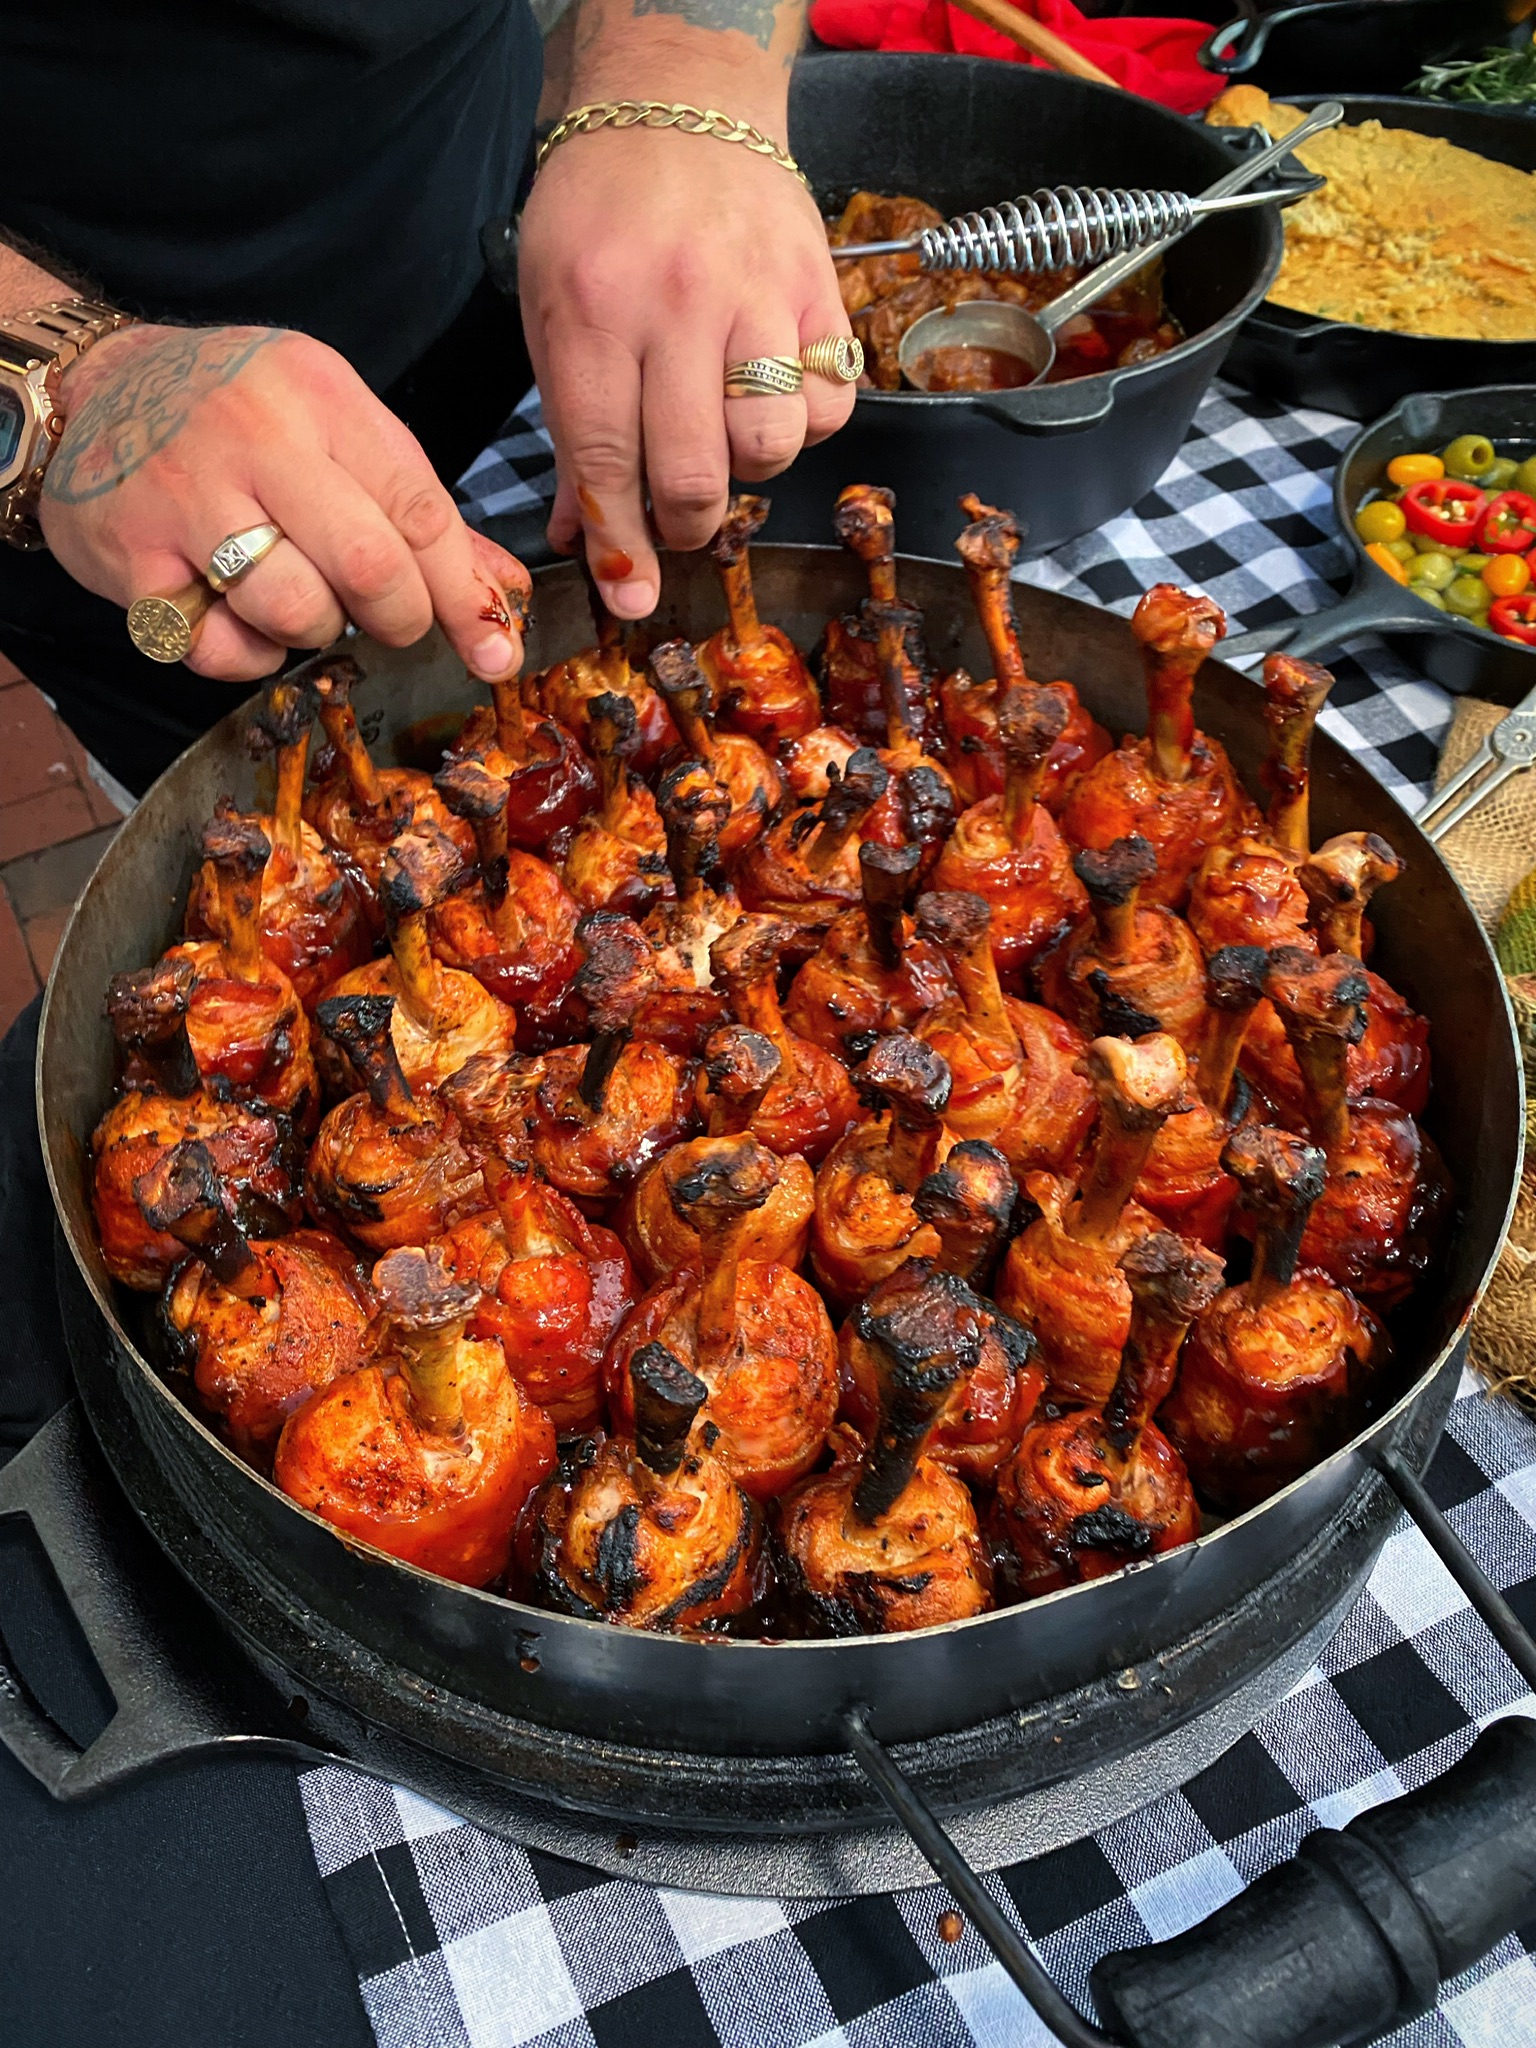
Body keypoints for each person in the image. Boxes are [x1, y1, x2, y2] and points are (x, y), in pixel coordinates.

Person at [0, 0, 857, 793]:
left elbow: (688, 57)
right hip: (113, 477)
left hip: (493, 246)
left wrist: (683, 71)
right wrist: (65, 377)